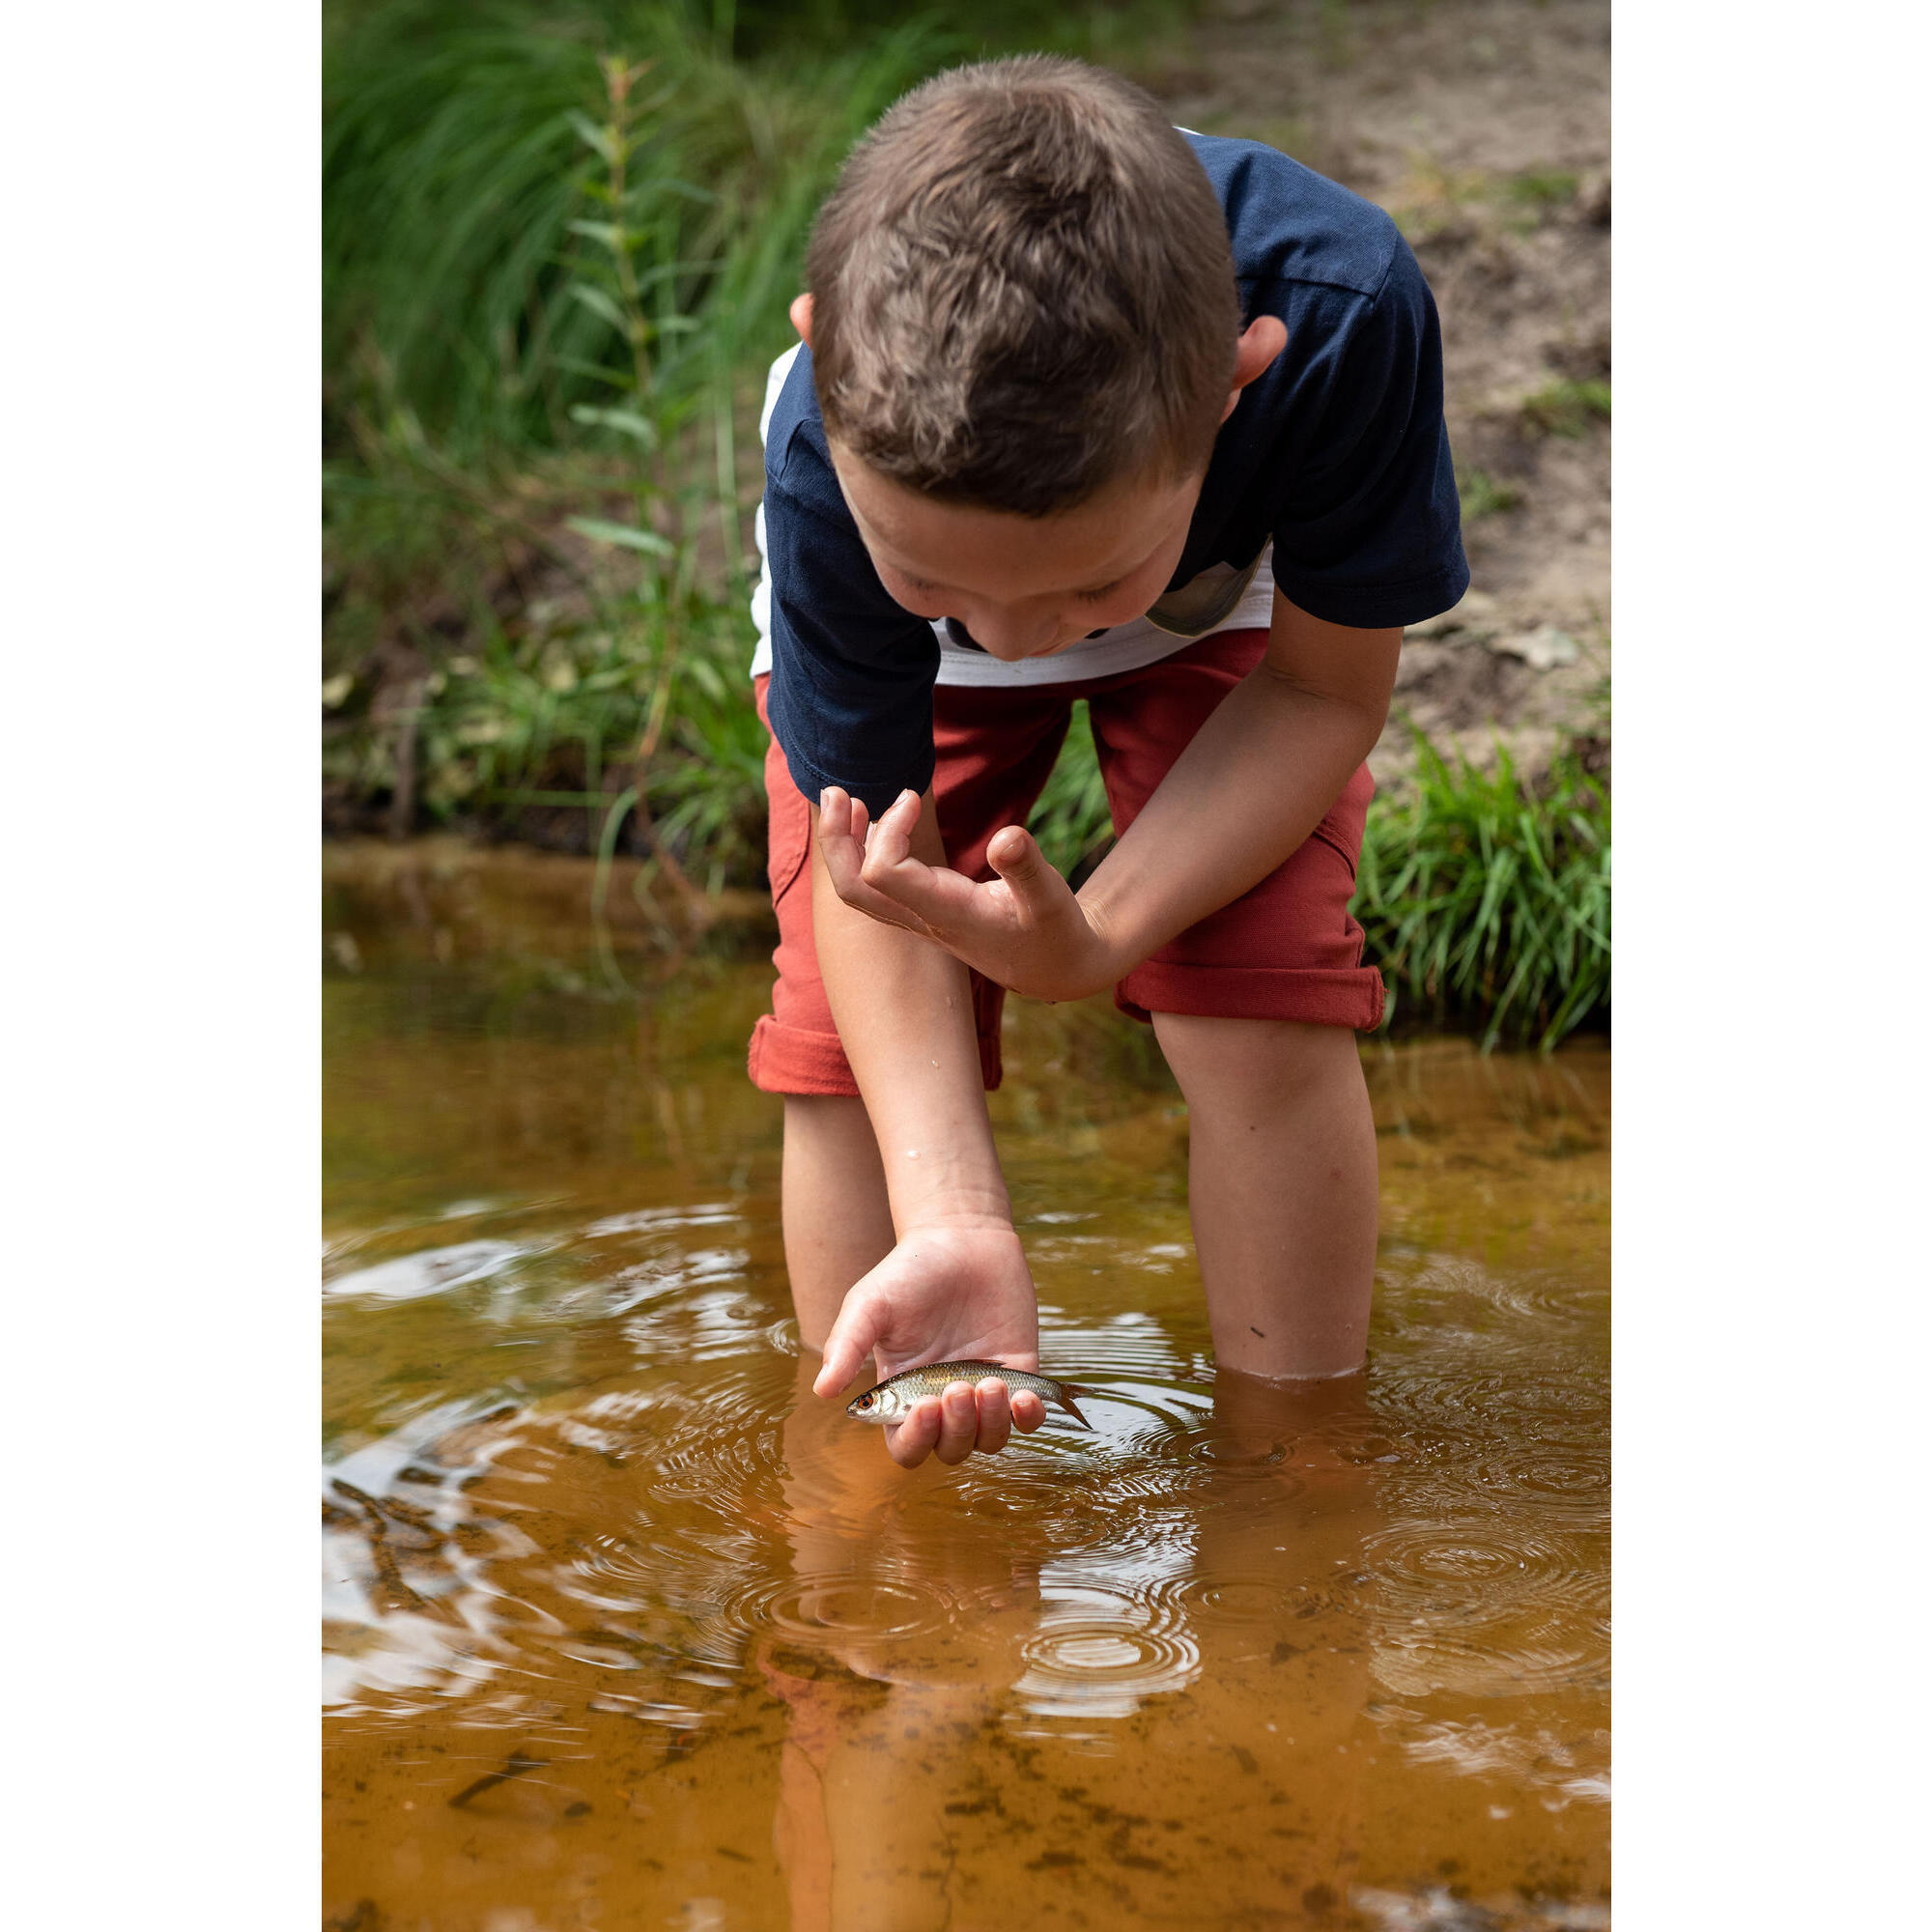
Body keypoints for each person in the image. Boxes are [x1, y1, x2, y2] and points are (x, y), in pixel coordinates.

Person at [746, 56, 1467, 1467]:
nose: (1013, 645)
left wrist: (1112, 934)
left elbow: (1322, 694)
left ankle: (1298, 1462)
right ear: (823, 366)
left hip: (1223, 607)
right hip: (984, 591)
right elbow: (868, 861)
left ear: (1231, 387)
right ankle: (860, 1485)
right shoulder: (831, 451)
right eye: (952, 585)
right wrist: (953, 1209)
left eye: (1073, 595)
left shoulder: (1336, 319)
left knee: (1258, 989)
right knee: (845, 1057)